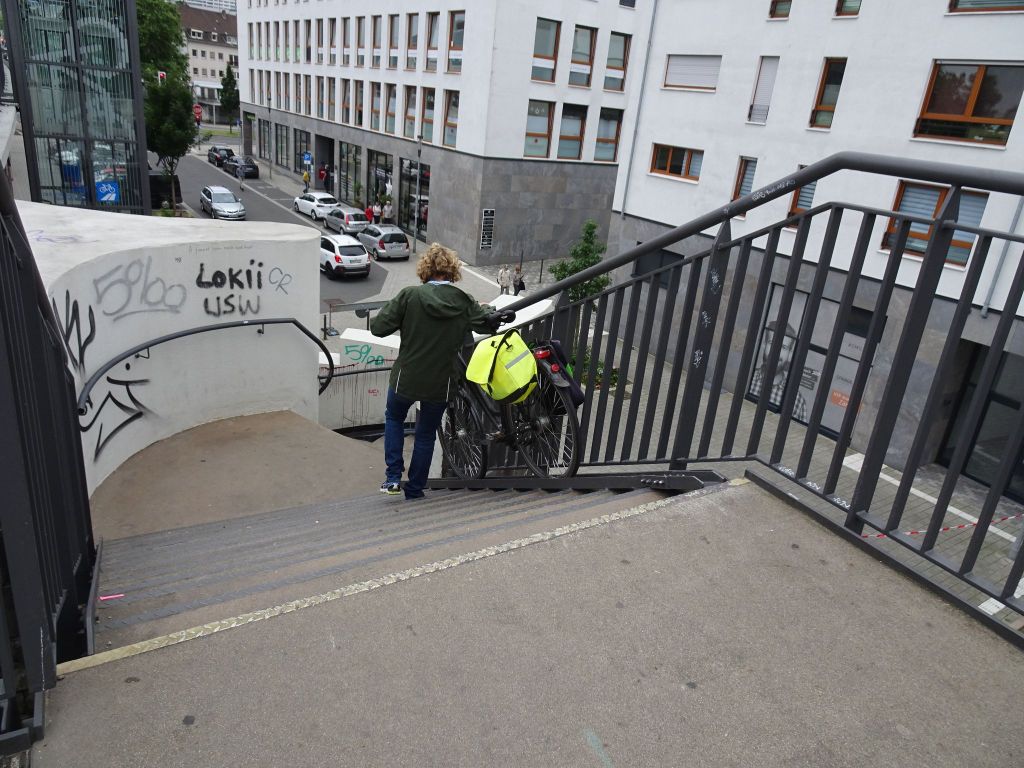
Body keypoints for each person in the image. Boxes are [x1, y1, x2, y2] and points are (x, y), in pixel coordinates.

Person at [370, 244, 497, 499]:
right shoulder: (463, 301)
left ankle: (393, 478)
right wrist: (487, 309)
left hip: (407, 377)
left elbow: (379, 329)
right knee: (426, 434)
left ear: (425, 269)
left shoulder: (409, 296)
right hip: (441, 382)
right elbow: (485, 325)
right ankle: (415, 489)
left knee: (394, 418)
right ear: (452, 271)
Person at [749, 320, 807, 422]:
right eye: (772, 343)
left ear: (790, 354)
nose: (776, 351)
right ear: (764, 345)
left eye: (784, 348)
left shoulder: (797, 401)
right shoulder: (746, 379)